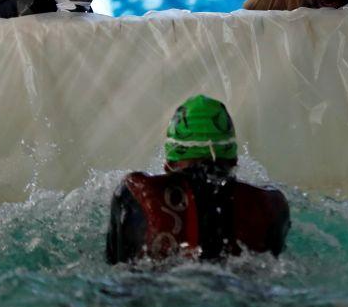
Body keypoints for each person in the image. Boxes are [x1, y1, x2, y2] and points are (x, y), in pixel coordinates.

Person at [106, 95, 291, 264]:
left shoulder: (136, 191)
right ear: (234, 160)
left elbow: (116, 266)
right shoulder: (271, 204)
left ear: (169, 162)